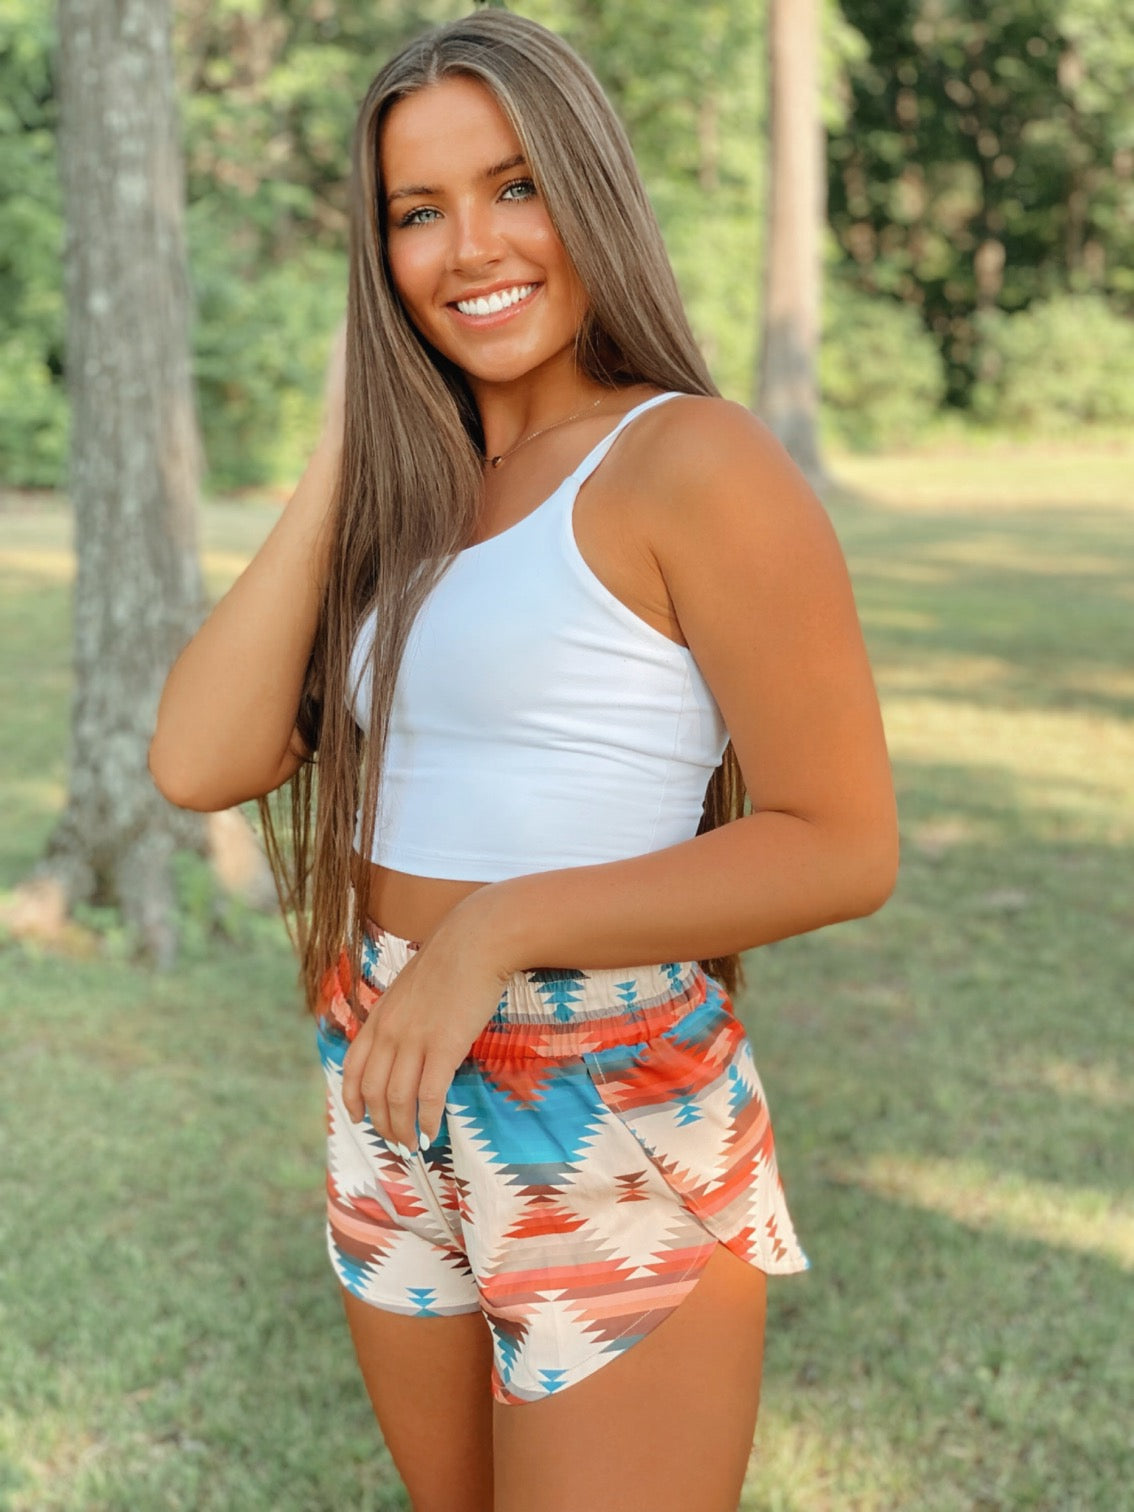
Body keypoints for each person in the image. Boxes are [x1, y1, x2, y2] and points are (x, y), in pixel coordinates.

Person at [150, 10, 898, 1511]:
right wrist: (349, 446)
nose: (469, 247)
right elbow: (198, 759)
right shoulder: (414, 495)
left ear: (588, 191)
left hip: (601, 1081)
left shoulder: (690, 461)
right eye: (415, 212)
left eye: (513, 188)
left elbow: (840, 842)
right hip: (387, 1064)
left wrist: (496, 929)